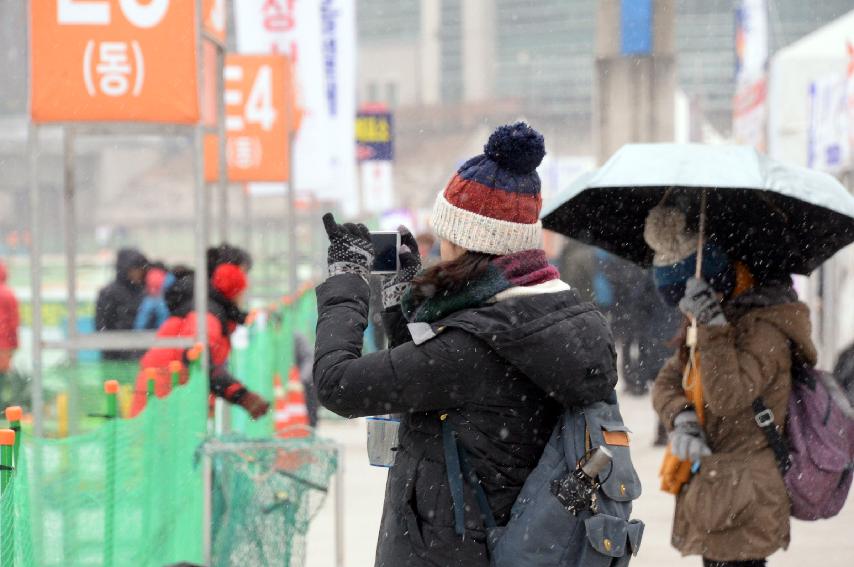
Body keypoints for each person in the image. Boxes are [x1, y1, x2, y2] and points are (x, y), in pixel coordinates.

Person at [313, 123, 617, 566]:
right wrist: (402, 294)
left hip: (452, 552)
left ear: (463, 241)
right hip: (514, 544)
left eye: (443, 237)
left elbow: (337, 384)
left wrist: (346, 279)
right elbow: (431, 384)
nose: (438, 249)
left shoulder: (471, 349)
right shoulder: (546, 321)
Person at [646, 205, 817, 567]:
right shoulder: (718, 323)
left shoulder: (766, 328)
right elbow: (666, 382)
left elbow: (728, 396)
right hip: (716, 489)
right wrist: (682, 418)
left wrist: (712, 326)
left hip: (747, 495)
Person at [130, 264, 270, 419]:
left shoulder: (211, 311)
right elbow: (200, 362)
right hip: (161, 398)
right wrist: (241, 395)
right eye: (242, 293)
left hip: (165, 394)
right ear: (234, 293)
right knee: (148, 442)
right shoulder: (208, 317)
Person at [95, 247, 149, 360]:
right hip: (116, 358)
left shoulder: (145, 292)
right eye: (135, 269)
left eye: (141, 269)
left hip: (140, 357)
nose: (139, 273)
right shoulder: (109, 293)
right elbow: (101, 326)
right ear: (125, 269)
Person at [133, 261, 171, 331]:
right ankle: (162, 330)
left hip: (150, 297)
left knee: (143, 314)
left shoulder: (150, 273)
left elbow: (145, 284)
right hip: (160, 297)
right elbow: (167, 284)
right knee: (163, 315)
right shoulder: (164, 274)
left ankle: (138, 330)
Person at [0, 261, 19, 373]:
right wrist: (14, 343)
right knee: (2, 374)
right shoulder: (8, 294)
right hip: (5, 343)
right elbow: (13, 321)